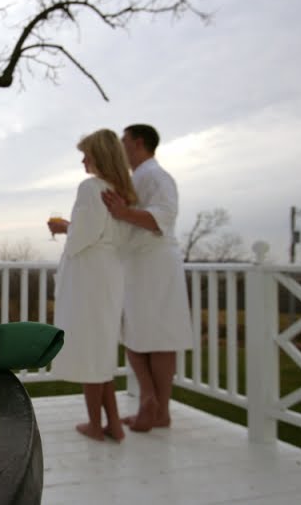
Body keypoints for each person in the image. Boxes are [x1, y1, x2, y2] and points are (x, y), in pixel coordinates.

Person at [101, 124, 193, 432]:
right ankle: (152, 404)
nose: (121, 146)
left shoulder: (157, 176)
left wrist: (122, 212)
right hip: (136, 264)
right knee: (135, 333)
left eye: (124, 141)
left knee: (159, 337)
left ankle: (156, 408)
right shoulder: (136, 178)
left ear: (138, 143)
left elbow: (162, 217)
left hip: (155, 263)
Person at [51, 129, 137, 442]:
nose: (83, 160)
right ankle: (112, 424)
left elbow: (81, 239)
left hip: (89, 277)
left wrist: (64, 229)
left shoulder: (91, 188)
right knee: (100, 350)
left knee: (90, 350)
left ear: (99, 156)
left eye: (87, 153)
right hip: (109, 274)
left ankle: (95, 425)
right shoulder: (122, 193)